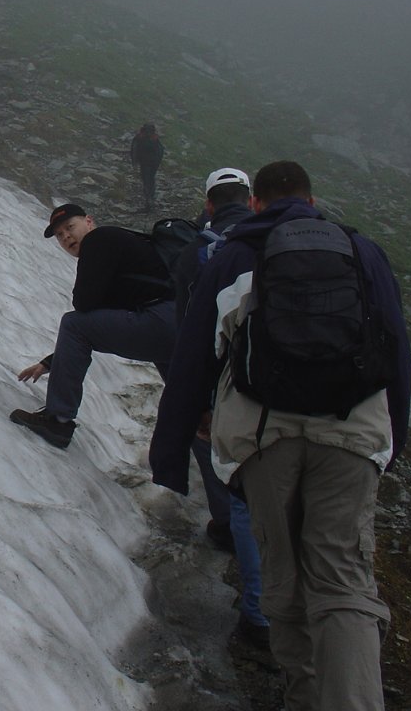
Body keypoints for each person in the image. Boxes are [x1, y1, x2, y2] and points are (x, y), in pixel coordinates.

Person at [149, 161, 411, 711]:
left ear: (258, 204)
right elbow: (396, 348)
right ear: (312, 201)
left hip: (264, 436)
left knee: (286, 583)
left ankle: (303, 696)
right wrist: (394, 442)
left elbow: (194, 351)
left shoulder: (234, 255)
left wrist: (172, 449)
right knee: (342, 580)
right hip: (353, 434)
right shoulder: (361, 251)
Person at [172, 167, 269, 648]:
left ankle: (260, 619)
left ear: (208, 204)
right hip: (332, 398)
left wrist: (199, 404)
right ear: (251, 200)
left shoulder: (206, 250)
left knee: (246, 499)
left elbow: (191, 329)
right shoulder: (312, 239)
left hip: (243, 389)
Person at [10, 203, 176, 448]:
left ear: (89, 221)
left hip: (160, 320)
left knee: (73, 323)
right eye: (60, 235)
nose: (66, 237)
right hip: (181, 323)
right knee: (191, 407)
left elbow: (84, 305)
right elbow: (104, 322)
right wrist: (50, 362)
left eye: (70, 227)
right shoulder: (120, 245)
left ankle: (58, 420)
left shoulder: (99, 239)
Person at [130, 123, 165, 209]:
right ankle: (151, 199)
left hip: (144, 163)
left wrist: (134, 162)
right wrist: (157, 163)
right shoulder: (155, 139)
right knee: (151, 180)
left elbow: (134, 150)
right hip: (153, 164)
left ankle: (148, 200)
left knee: (146, 180)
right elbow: (160, 151)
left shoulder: (139, 138)